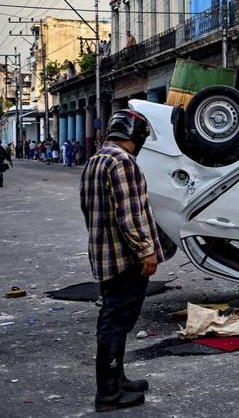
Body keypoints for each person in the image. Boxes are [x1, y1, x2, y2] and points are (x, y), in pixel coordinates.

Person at [80, 109, 162, 412]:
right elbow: (130, 215)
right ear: (136, 136)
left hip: (104, 255)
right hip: (125, 259)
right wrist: (146, 251)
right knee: (116, 321)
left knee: (115, 317)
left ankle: (118, 378)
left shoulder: (96, 160)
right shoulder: (123, 162)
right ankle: (109, 394)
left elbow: (90, 210)